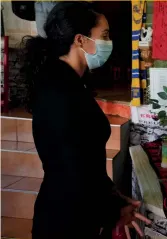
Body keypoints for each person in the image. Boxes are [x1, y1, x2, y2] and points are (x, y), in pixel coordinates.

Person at [21, 2, 150, 239]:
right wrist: (113, 210)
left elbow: (85, 159)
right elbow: (73, 171)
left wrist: (113, 195)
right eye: (104, 35)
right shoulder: (60, 92)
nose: (109, 42)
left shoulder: (68, 82)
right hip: (65, 221)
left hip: (75, 211)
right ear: (80, 40)